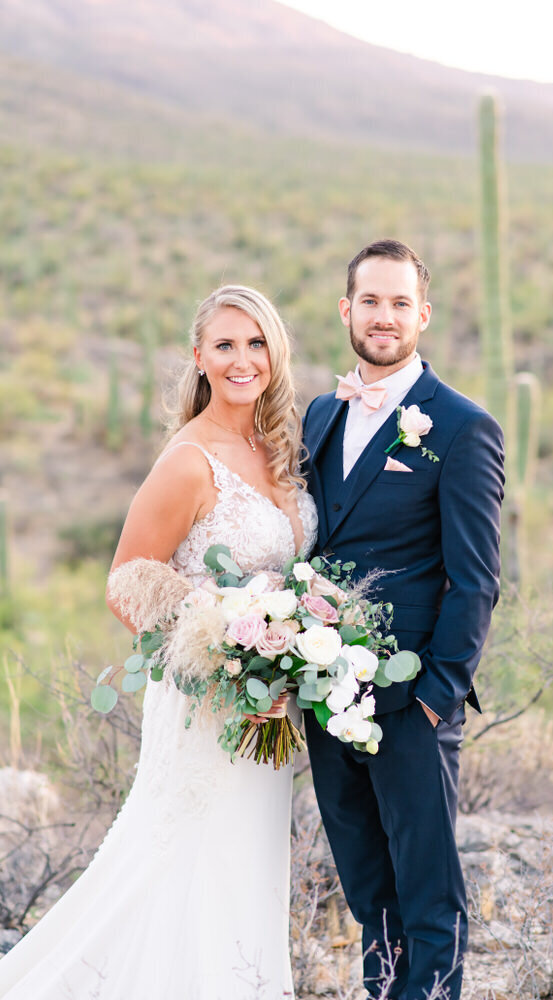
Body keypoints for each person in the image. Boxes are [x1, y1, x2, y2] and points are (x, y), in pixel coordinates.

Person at [0, 285, 317, 1000]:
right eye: (226, 345)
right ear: (199, 357)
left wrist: (289, 641)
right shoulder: (188, 459)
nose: (243, 359)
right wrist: (221, 644)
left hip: (272, 707)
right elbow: (127, 582)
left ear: (276, 352)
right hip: (209, 701)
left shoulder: (281, 448)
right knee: (185, 857)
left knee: (246, 862)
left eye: (256, 343)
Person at [302, 240, 504, 1000]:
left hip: (411, 696)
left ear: (422, 313)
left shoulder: (460, 427)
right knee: (367, 890)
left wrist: (435, 695)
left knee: (426, 896)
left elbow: (476, 578)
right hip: (326, 690)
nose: (382, 317)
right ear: (346, 310)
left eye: (398, 303)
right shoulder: (322, 415)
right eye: (369, 301)